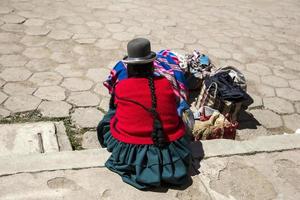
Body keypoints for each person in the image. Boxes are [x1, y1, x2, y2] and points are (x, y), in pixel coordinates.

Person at [97, 38, 192, 190]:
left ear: (130, 67)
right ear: (152, 65)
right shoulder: (166, 83)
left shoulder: (121, 87)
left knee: (111, 116)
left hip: (131, 149)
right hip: (171, 146)